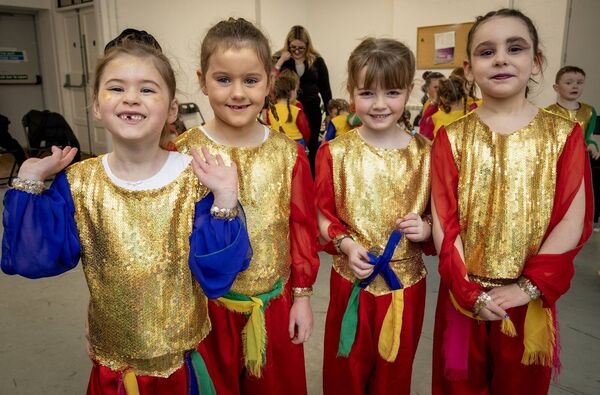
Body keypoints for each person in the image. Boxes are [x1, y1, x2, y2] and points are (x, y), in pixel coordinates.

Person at [1, 37, 252, 394]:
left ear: (171, 110)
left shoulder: (195, 179)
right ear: (97, 107)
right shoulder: (78, 183)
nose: (131, 97)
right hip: (114, 366)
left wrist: (225, 197)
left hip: (181, 365)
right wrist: (29, 180)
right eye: (116, 87)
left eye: (147, 89)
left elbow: (217, 274)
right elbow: (36, 258)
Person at [430, 8, 593, 394]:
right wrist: (466, 290)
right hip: (462, 298)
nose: (501, 58)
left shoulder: (564, 136)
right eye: (487, 52)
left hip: (529, 302)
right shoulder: (450, 138)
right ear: (469, 69)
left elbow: (572, 220)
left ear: (535, 61)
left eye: (514, 48)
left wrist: (529, 287)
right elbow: (443, 220)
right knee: (458, 384)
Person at [174, 18, 319, 395]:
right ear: (202, 79)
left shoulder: (289, 153)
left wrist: (302, 298)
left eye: (250, 80)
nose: (237, 93)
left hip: (272, 303)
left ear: (270, 81)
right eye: (223, 80)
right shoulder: (182, 152)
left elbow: (301, 230)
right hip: (206, 310)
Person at [316, 37, 434, 395]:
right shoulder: (335, 153)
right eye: (367, 93)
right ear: (351, 91)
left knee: (394, 373)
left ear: (410, 91)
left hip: (406, 286)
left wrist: (426, 228)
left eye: (392, 93)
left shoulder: (427, 154)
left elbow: (440, 217)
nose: (380, 105)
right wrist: (346, 244)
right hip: (351, 280)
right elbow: (321, 214)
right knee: (344, 370)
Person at [273, 25, 332, 173]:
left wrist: (330, 113)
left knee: (311, 147)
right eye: (293, 48)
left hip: (312, 110)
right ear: (288, 44)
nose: (297, 51)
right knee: (287, 147)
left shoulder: (317, 61)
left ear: (307, 45)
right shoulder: (279, 58)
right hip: (287, 109)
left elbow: (325, 89)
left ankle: (309, 180)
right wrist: (280, 61)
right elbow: (270, 81)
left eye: (301, 48)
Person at [267, 69, 311, 147]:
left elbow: (269, 129)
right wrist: (305, 143)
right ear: (292, 92)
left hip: (278, 143)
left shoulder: (270, 111)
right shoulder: (297, 110)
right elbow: (305, 130)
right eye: (296, 90)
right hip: (297, 142)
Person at [418, 71, 445, 139]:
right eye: (436, 87)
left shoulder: (448, 103)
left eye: (443, 86)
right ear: (427, 89)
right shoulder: (429, 106)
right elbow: (425, 135)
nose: (440, 90)